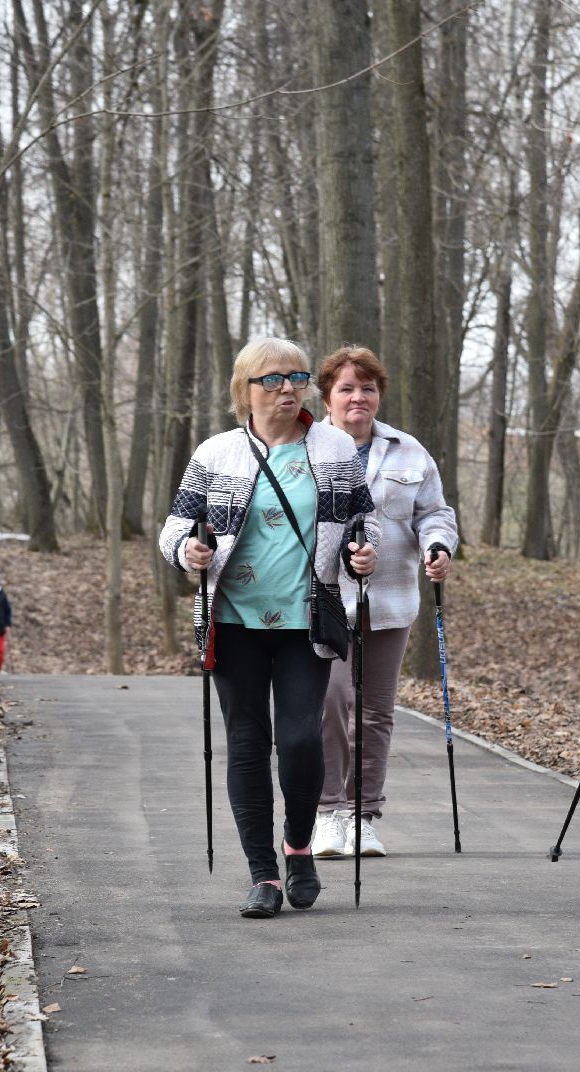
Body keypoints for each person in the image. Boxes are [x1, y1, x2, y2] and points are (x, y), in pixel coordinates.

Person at [159, 336, 378, 919]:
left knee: (302, 739)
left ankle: (299, 847)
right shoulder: (216, 454)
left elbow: (363, 522)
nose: (288, 388)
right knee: (248, 745)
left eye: (298, 377)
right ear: (246, 390)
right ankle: (263, 875)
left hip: (310, 616)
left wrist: (363, 551)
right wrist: (189, 551)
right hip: (232, 621)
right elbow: (173, 530)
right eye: (274, 379)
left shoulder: (334, 449)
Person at [313, 346, 458, 859]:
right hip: (322, 602)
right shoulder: (308, 449)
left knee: (375, 712)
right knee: (330, 703)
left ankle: (364, 815)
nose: (359, 397)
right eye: (347, 388)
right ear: (327, 396)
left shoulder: (408, 451)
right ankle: (327, 812)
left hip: (390, 599)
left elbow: (435, 513)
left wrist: (437, 546)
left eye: (368, 388)